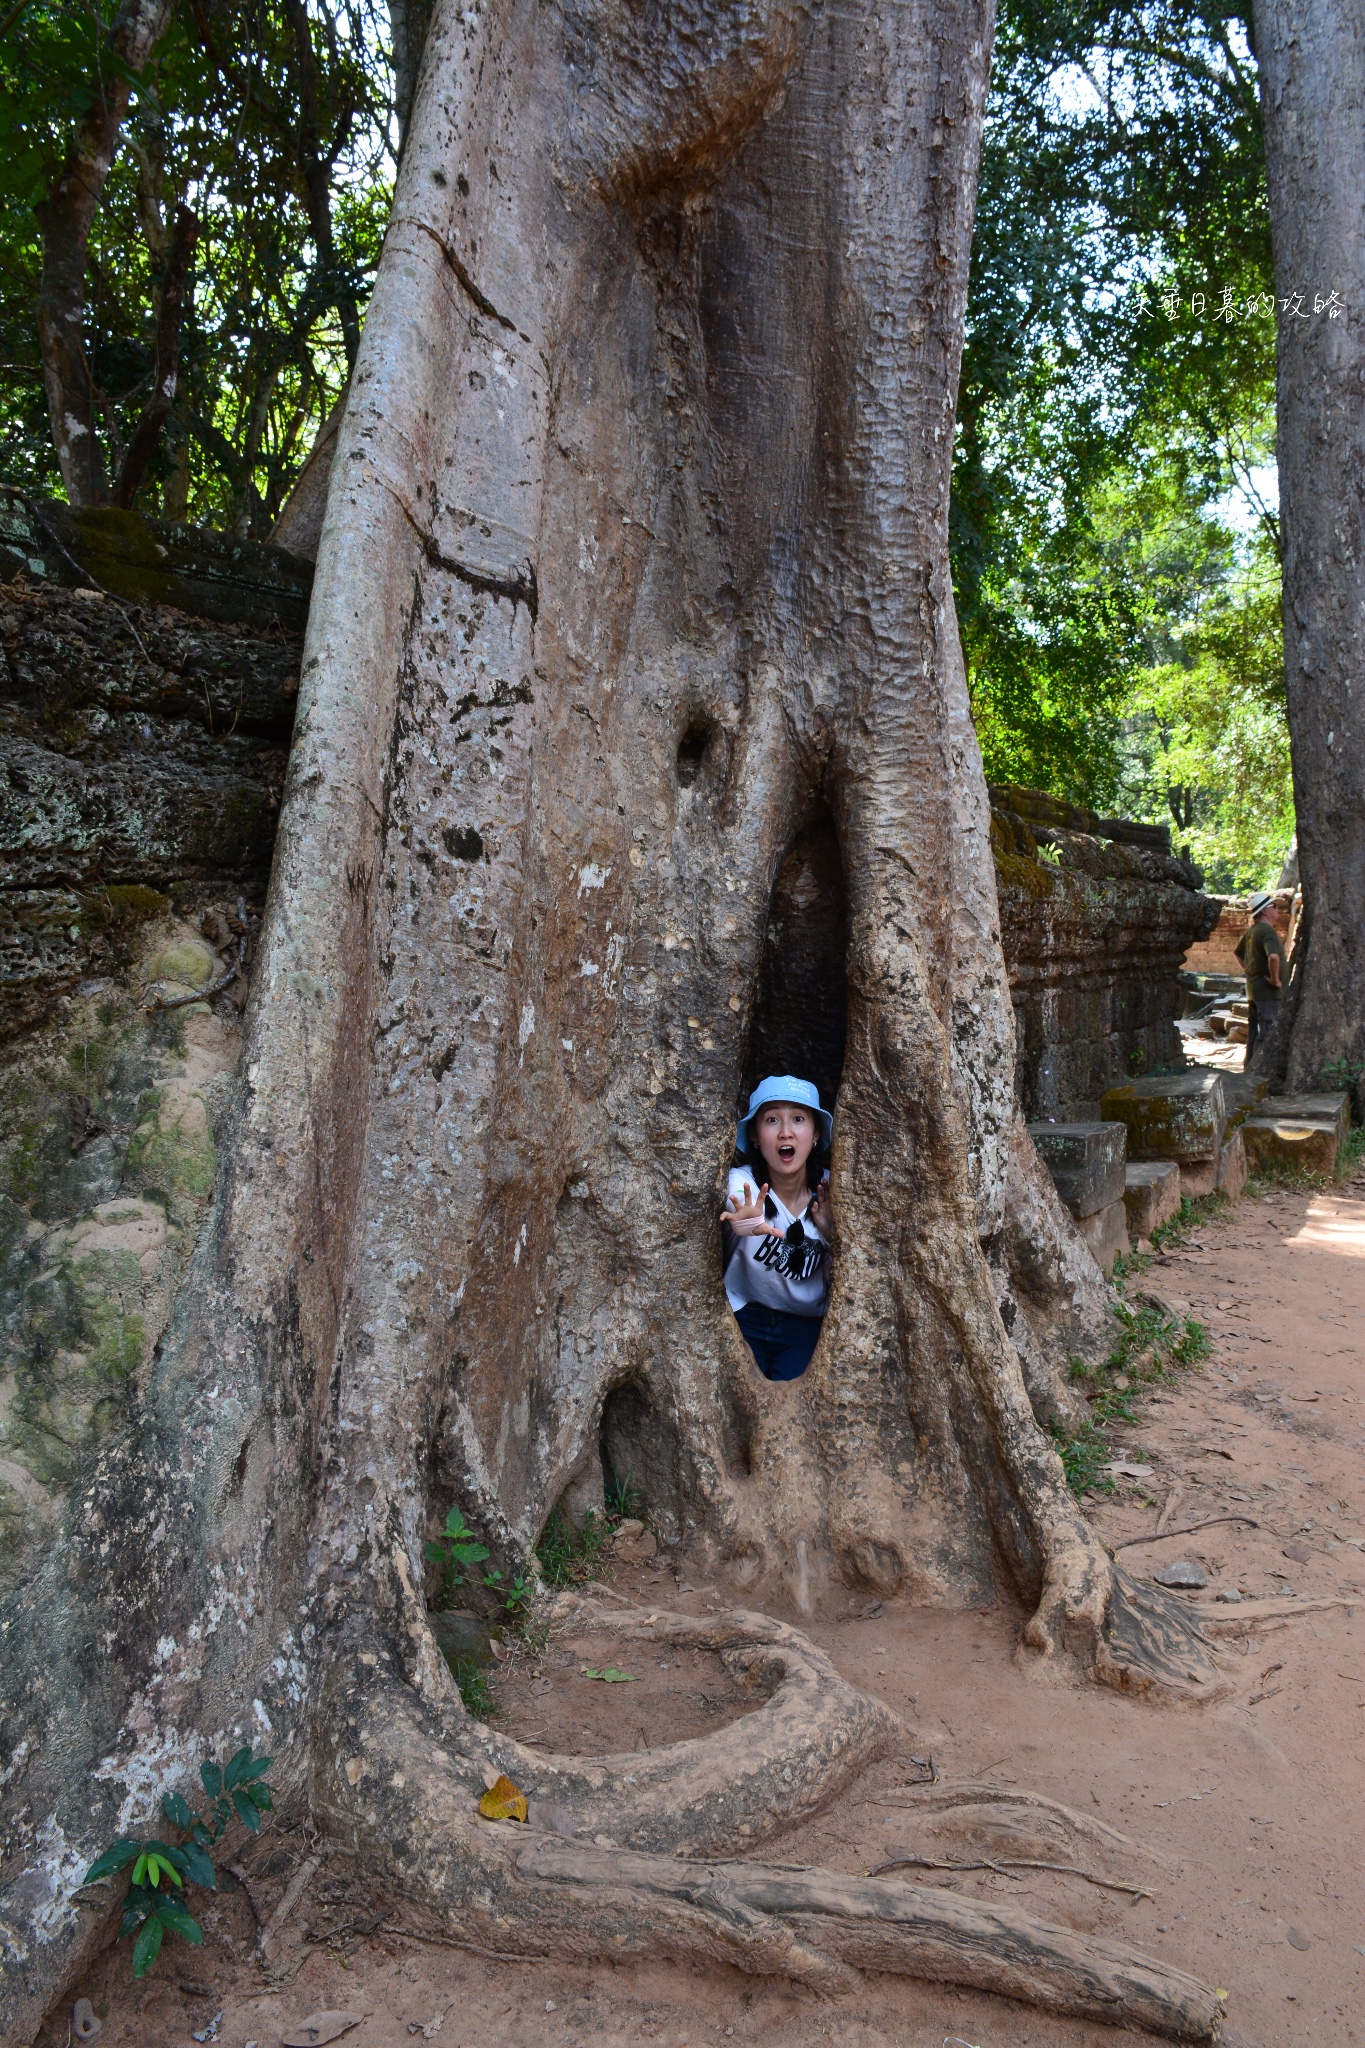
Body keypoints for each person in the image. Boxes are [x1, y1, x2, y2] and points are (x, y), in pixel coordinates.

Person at [721, 1075, 832, 1382]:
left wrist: (834, 1232)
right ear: (755, 1135)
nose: (786, 1133)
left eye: (798, 1119)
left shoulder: (832, 1191)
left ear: (816, 1134)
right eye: (772, 1120)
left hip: (805, 1325)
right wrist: (747, 1221)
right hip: (744, 1315)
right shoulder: (744, 1182)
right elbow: (737, 1204)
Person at [1235, 888, 1284, 1063]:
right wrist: (1274, 979)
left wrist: (1249, 971)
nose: (1277, 910)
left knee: (1253, 1032)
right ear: (1264, 910)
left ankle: (1249, 1064)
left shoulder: (1252, 931)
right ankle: (1261, 1068)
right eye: (1275, 906)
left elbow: (1238, 954)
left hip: (1253, 990)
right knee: (1267, 1032)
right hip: (1267, 992)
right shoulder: (1267, 931)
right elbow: (1273, 956)